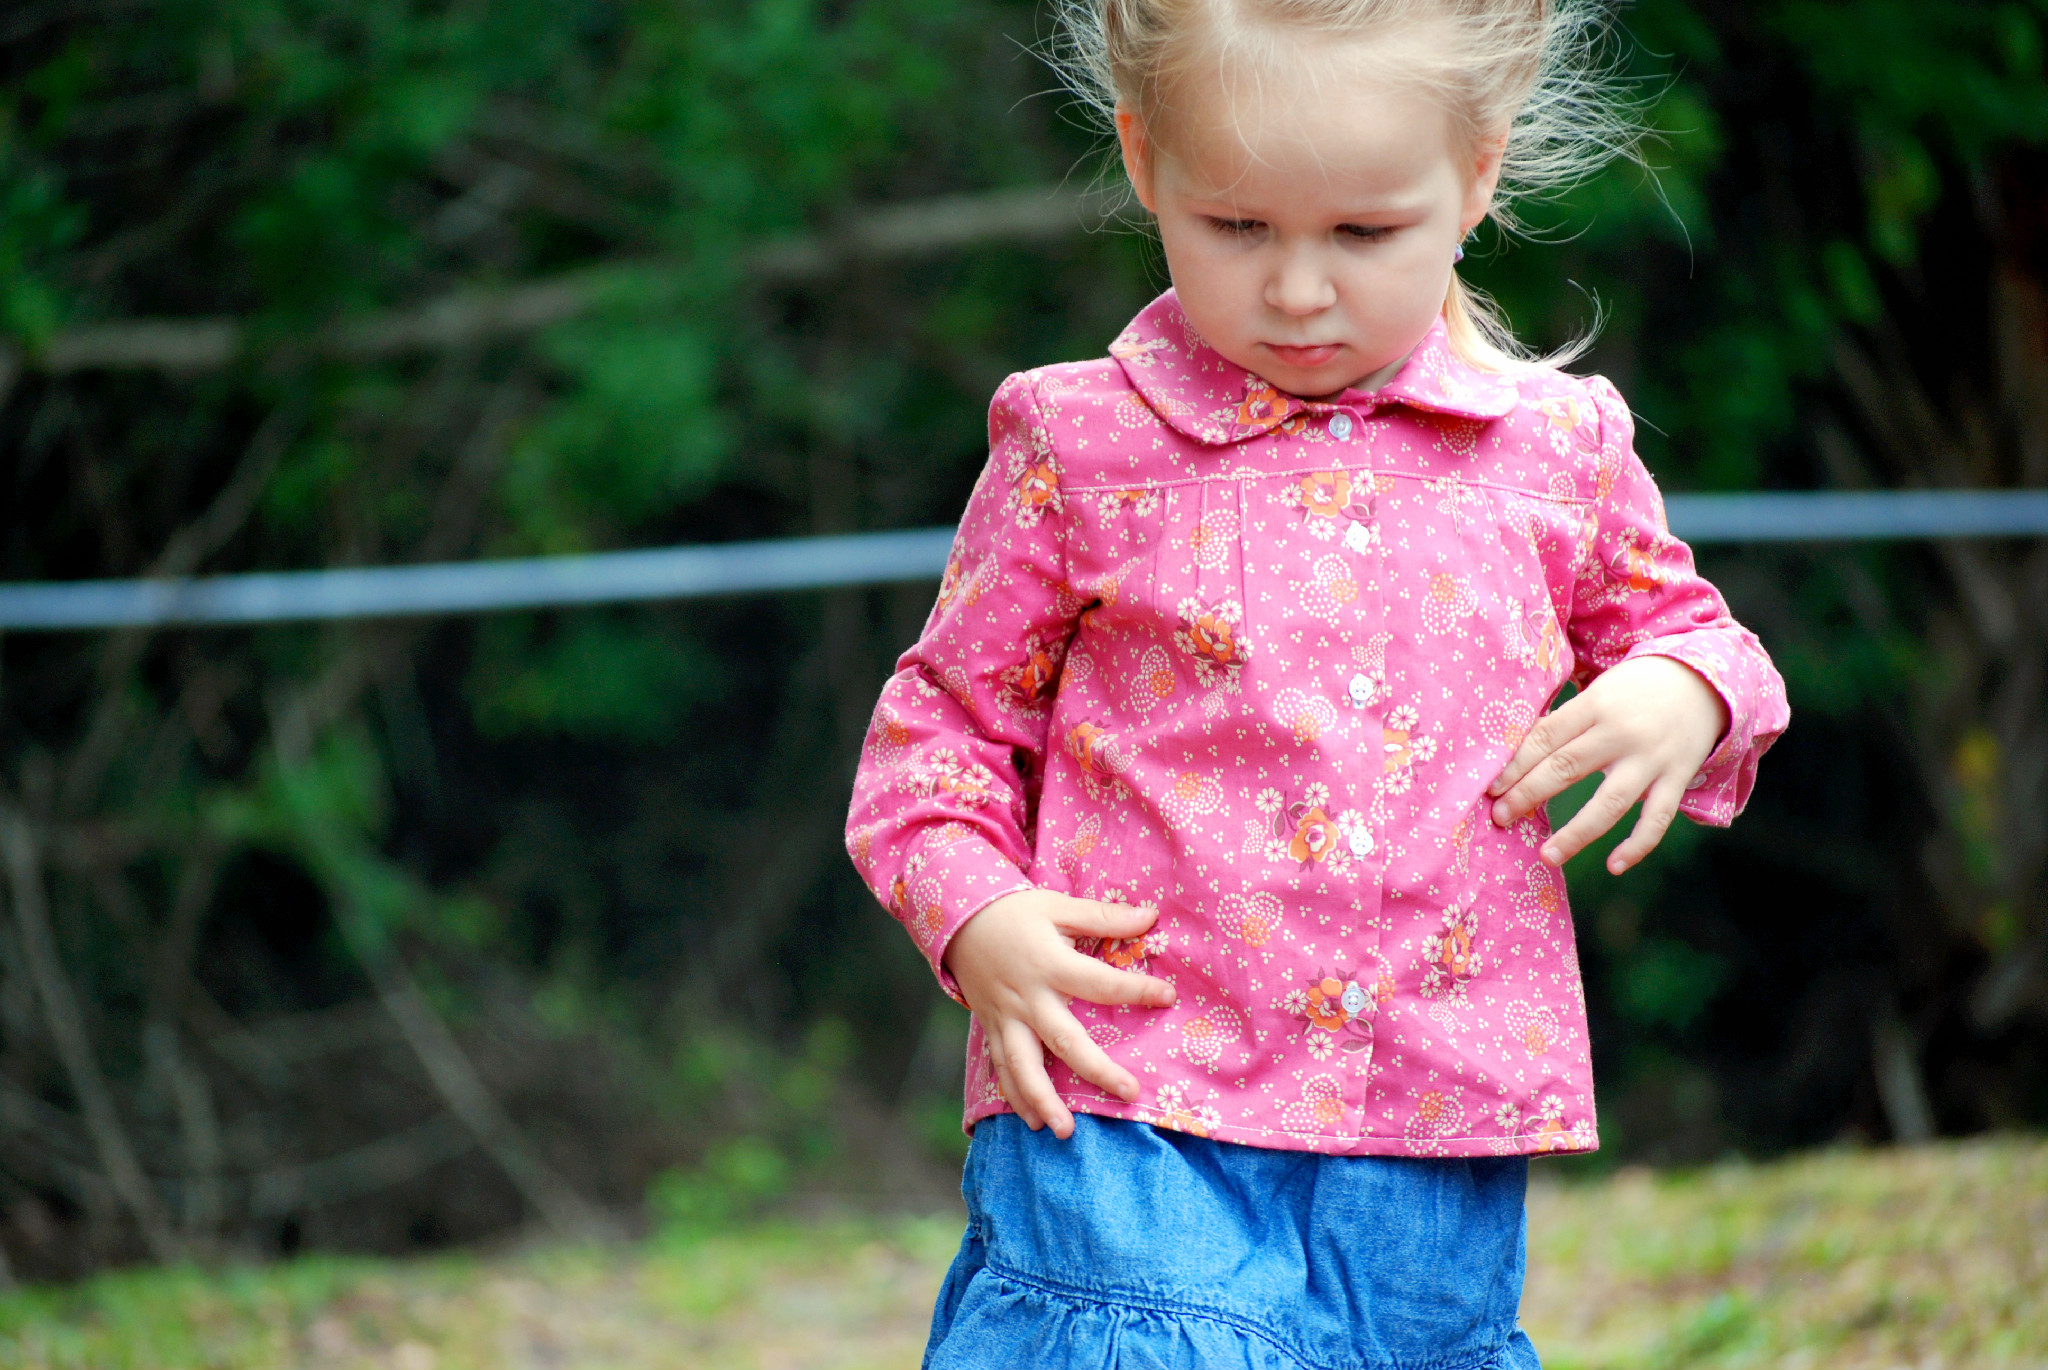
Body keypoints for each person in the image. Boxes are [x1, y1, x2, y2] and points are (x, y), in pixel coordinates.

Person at [847, 0, 1789, 1363]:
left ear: (1475, 177)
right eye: (1237, 227)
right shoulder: (1075, 441)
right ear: (1145, 162)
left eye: (1361, 234)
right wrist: (977, 913)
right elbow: (933, 735)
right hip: (1128, 1096)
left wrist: (1685, 689)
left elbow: (1714, 646)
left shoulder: (1558, 452)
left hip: (1432, 1121)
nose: (1297, 289)